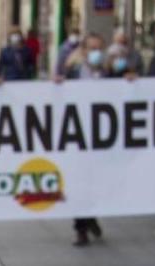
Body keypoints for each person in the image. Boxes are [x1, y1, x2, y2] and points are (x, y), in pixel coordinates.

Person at [56, 32, 109, 246]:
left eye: (99, 48)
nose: (96, 53)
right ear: (84, 51)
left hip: (102, 135)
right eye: (92, 48)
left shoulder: (109, 73)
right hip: (78, 134)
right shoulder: (73, 72)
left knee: (96, 181)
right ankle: (81, 228)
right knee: (80, 180)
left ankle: (90, 216)